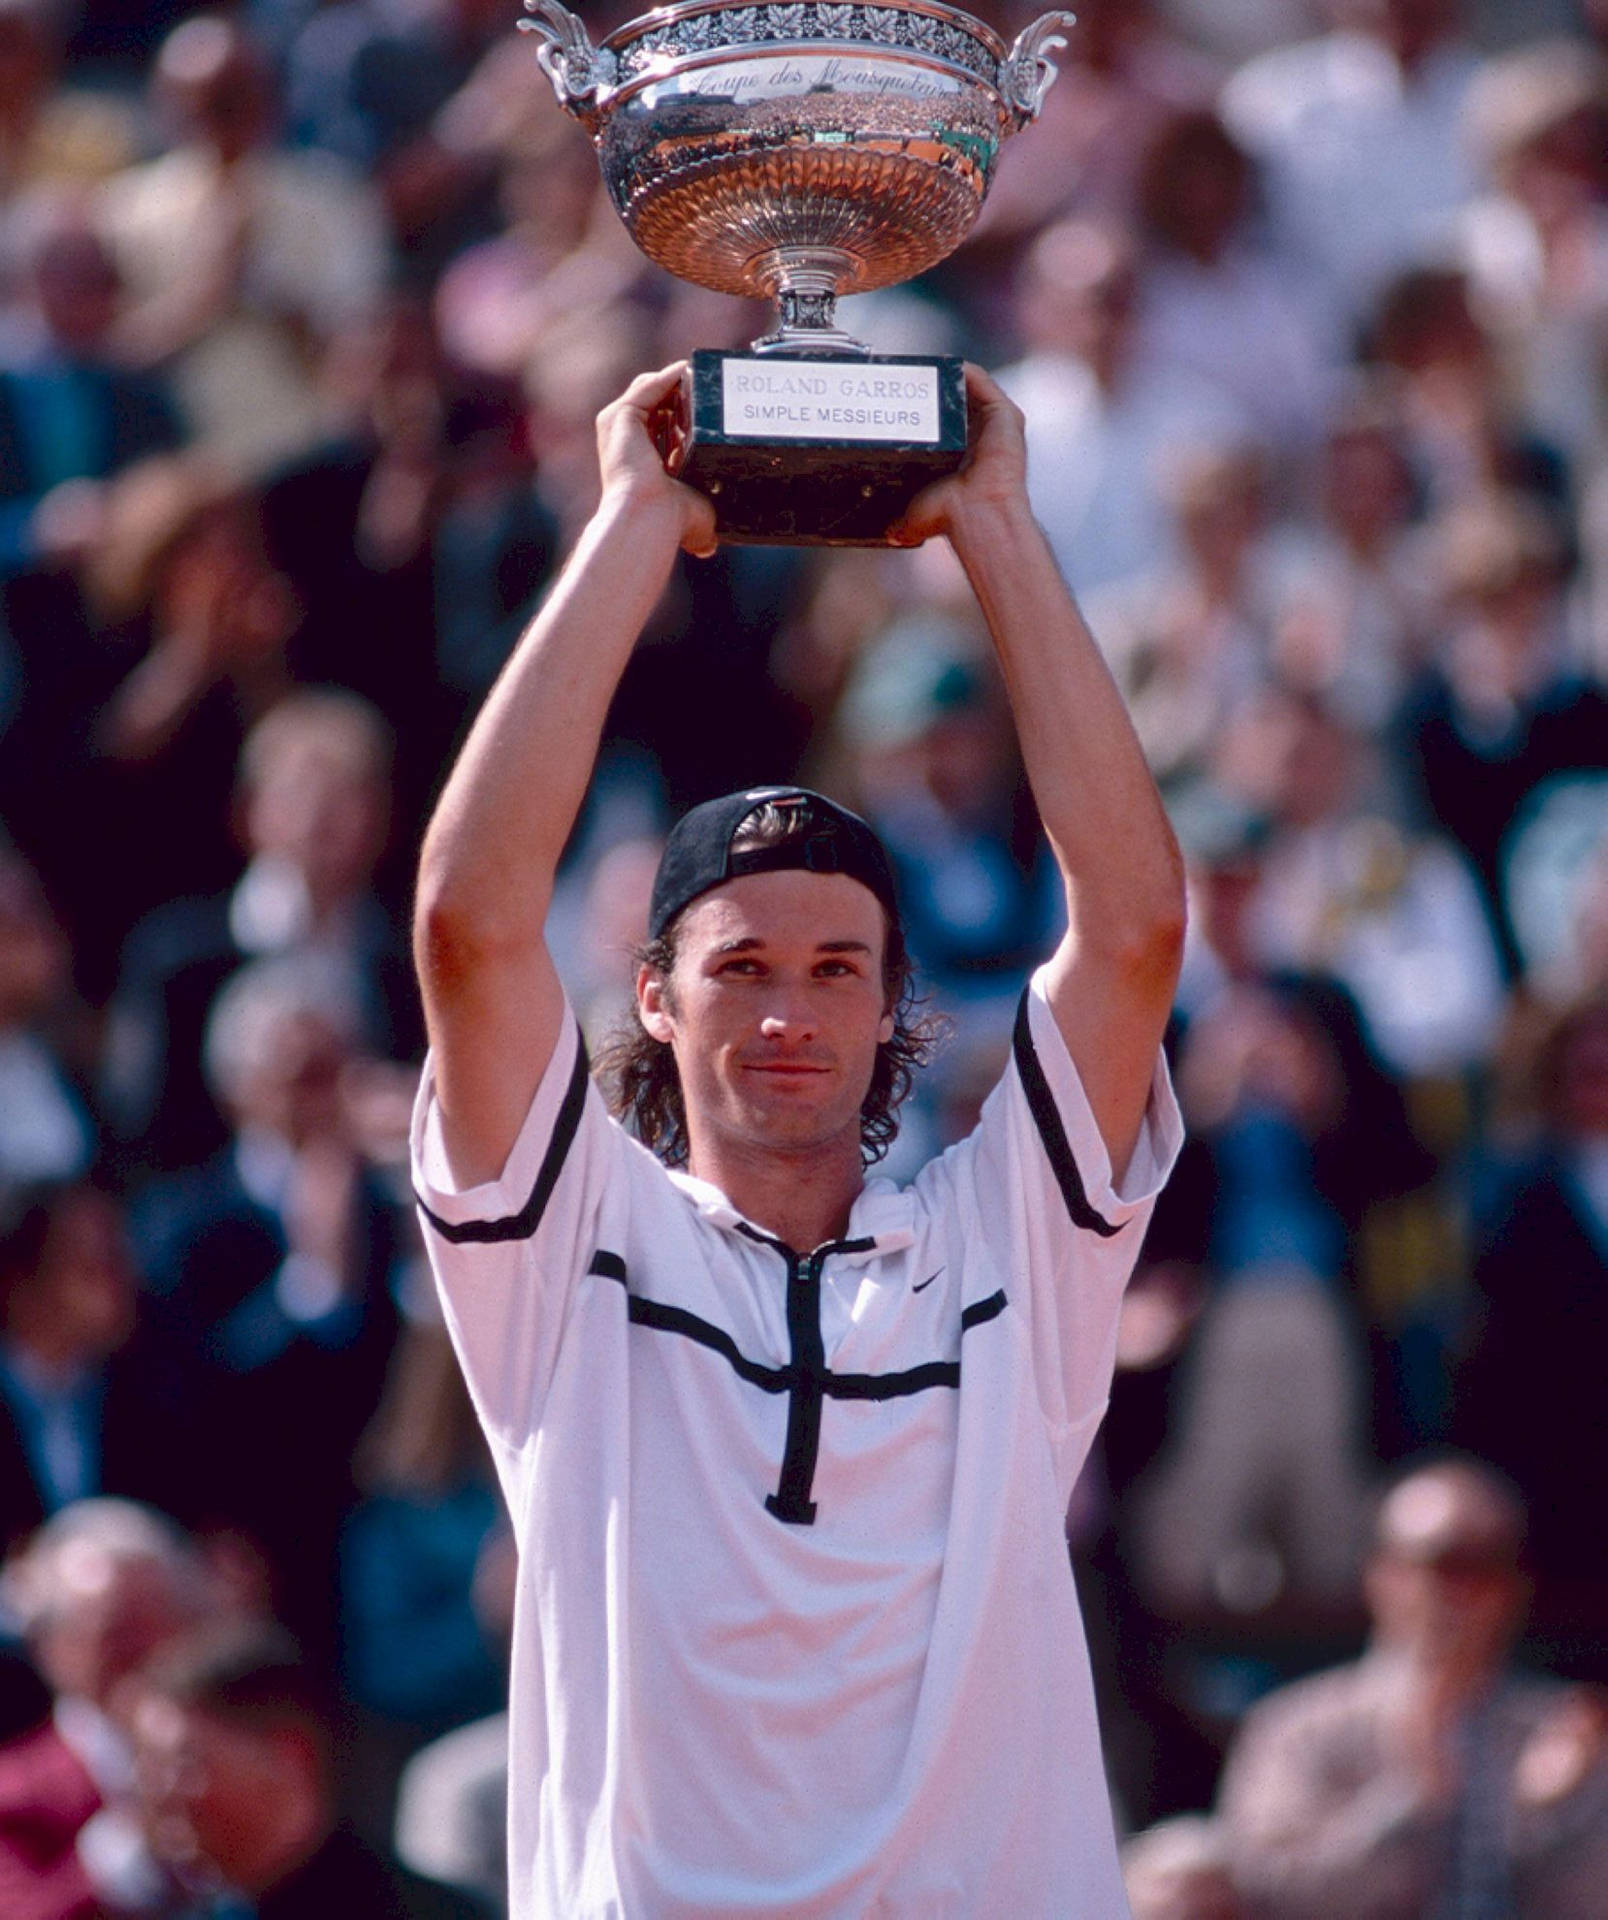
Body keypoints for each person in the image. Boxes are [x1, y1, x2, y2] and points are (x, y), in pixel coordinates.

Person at [409, 361, 1186, 1915]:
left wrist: (999, 530)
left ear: (898, 1004)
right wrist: (633, 522)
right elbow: (470, 926)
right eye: (742, 969)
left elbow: (1137, 927)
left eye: (837, 970)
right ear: (654, 999)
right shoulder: (575, 1251)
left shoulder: (1000, 1244)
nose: (790, 1013)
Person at [1216, 1457, 1608, 1918]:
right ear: (1383, 1575)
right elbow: (1268, 1895)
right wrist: (1411, 1798)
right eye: (1444, 1562)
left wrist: (1554, 1815)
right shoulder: (1298, 1727)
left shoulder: (1560, 1730)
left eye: (1488, 1564)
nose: (1462, 1594)